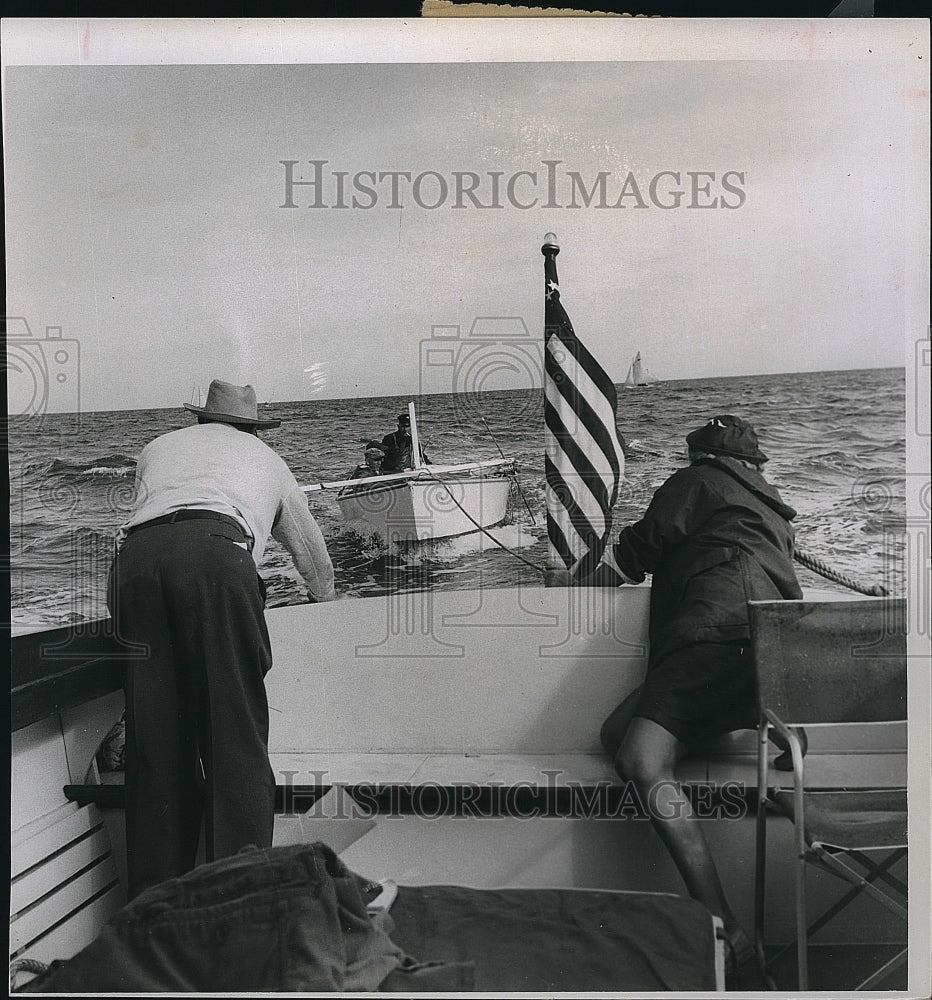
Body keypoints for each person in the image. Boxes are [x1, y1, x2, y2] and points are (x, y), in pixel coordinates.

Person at [552, 415, 803, 975]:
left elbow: (634, 554)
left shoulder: (696, 483)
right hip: (765, 650)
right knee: (615, 731)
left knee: (638, 760)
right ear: (754, 464)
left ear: (702, 458)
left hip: (712, 636)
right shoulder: (774, 512)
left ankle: (720, 924)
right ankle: (764, 727)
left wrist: (572, 590)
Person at [108, 379, 336, 898]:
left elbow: (157, 522)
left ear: (200, 420)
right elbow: (313, 560)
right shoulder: (268, 460)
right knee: (235, 742)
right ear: (252, 427)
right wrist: (328, 604)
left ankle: (154, 910)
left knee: (156, 747)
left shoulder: (156, 448)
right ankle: (240, 897)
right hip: (214, 559)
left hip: (133, 568)